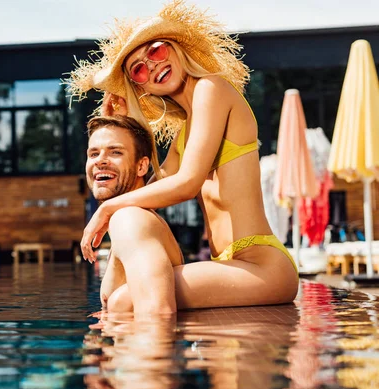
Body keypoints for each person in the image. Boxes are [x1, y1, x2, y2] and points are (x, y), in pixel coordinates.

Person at [67, 0, 299, 310]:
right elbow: (146, 192)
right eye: (138, 69)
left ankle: (148, 358)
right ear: (142, 89)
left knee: (125, 302)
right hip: (230, 266)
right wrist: (126, 122)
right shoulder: (184, 135)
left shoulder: (211, 88)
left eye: (156, 50)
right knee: (122, 294)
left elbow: (188, 183)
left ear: (176, 48)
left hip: (262, 265)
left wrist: (106, 209)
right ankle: (111, 356)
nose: (152, 66)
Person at [86, 115, 183, 314]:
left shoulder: (131, 219)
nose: (101, 161)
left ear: (141, 166)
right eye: (94, 153)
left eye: (115, 152)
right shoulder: (128, 218)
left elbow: (158, 311)